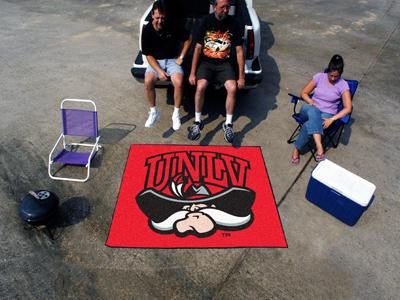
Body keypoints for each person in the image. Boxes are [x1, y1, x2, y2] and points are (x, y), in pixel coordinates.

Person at [187, 0, 245, 143]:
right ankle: (197, 122)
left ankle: (228, 124)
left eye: (228, 7)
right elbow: (198, 48)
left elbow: (239, 51)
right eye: (222, 7)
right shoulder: (205, 22)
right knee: (200, 87)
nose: (226, 10)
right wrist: (193, 72)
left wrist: (241, 77)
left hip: (225, 64)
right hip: (206, 63)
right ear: (214, 7)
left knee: (232, 88)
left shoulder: (234, 23)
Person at [291, 54, 352, 164]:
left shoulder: (343, 85)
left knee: (307, 125)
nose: (333, 78)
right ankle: (320, 147)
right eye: (331, 75)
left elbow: (348, 108)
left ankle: (296, 149)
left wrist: (332, 119)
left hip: (326, 115)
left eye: (336, 76)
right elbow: (303, 93)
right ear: (328, 70)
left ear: (340, 74)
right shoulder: (319, 77)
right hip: (309, 109)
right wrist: (311, 101)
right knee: (313, 110)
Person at [141, 1, 192, 130]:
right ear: (152, 15)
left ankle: (175, 114)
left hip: (171, 60)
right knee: (148, 81)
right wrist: (159, 71)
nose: (160, 21)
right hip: (155, 61)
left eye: (162, 18)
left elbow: (188, 39)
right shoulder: (147, 29)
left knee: (179, 82)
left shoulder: (172, 25)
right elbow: (148, 55)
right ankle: (153, 112)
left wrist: (181, 57)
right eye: (157, 18)